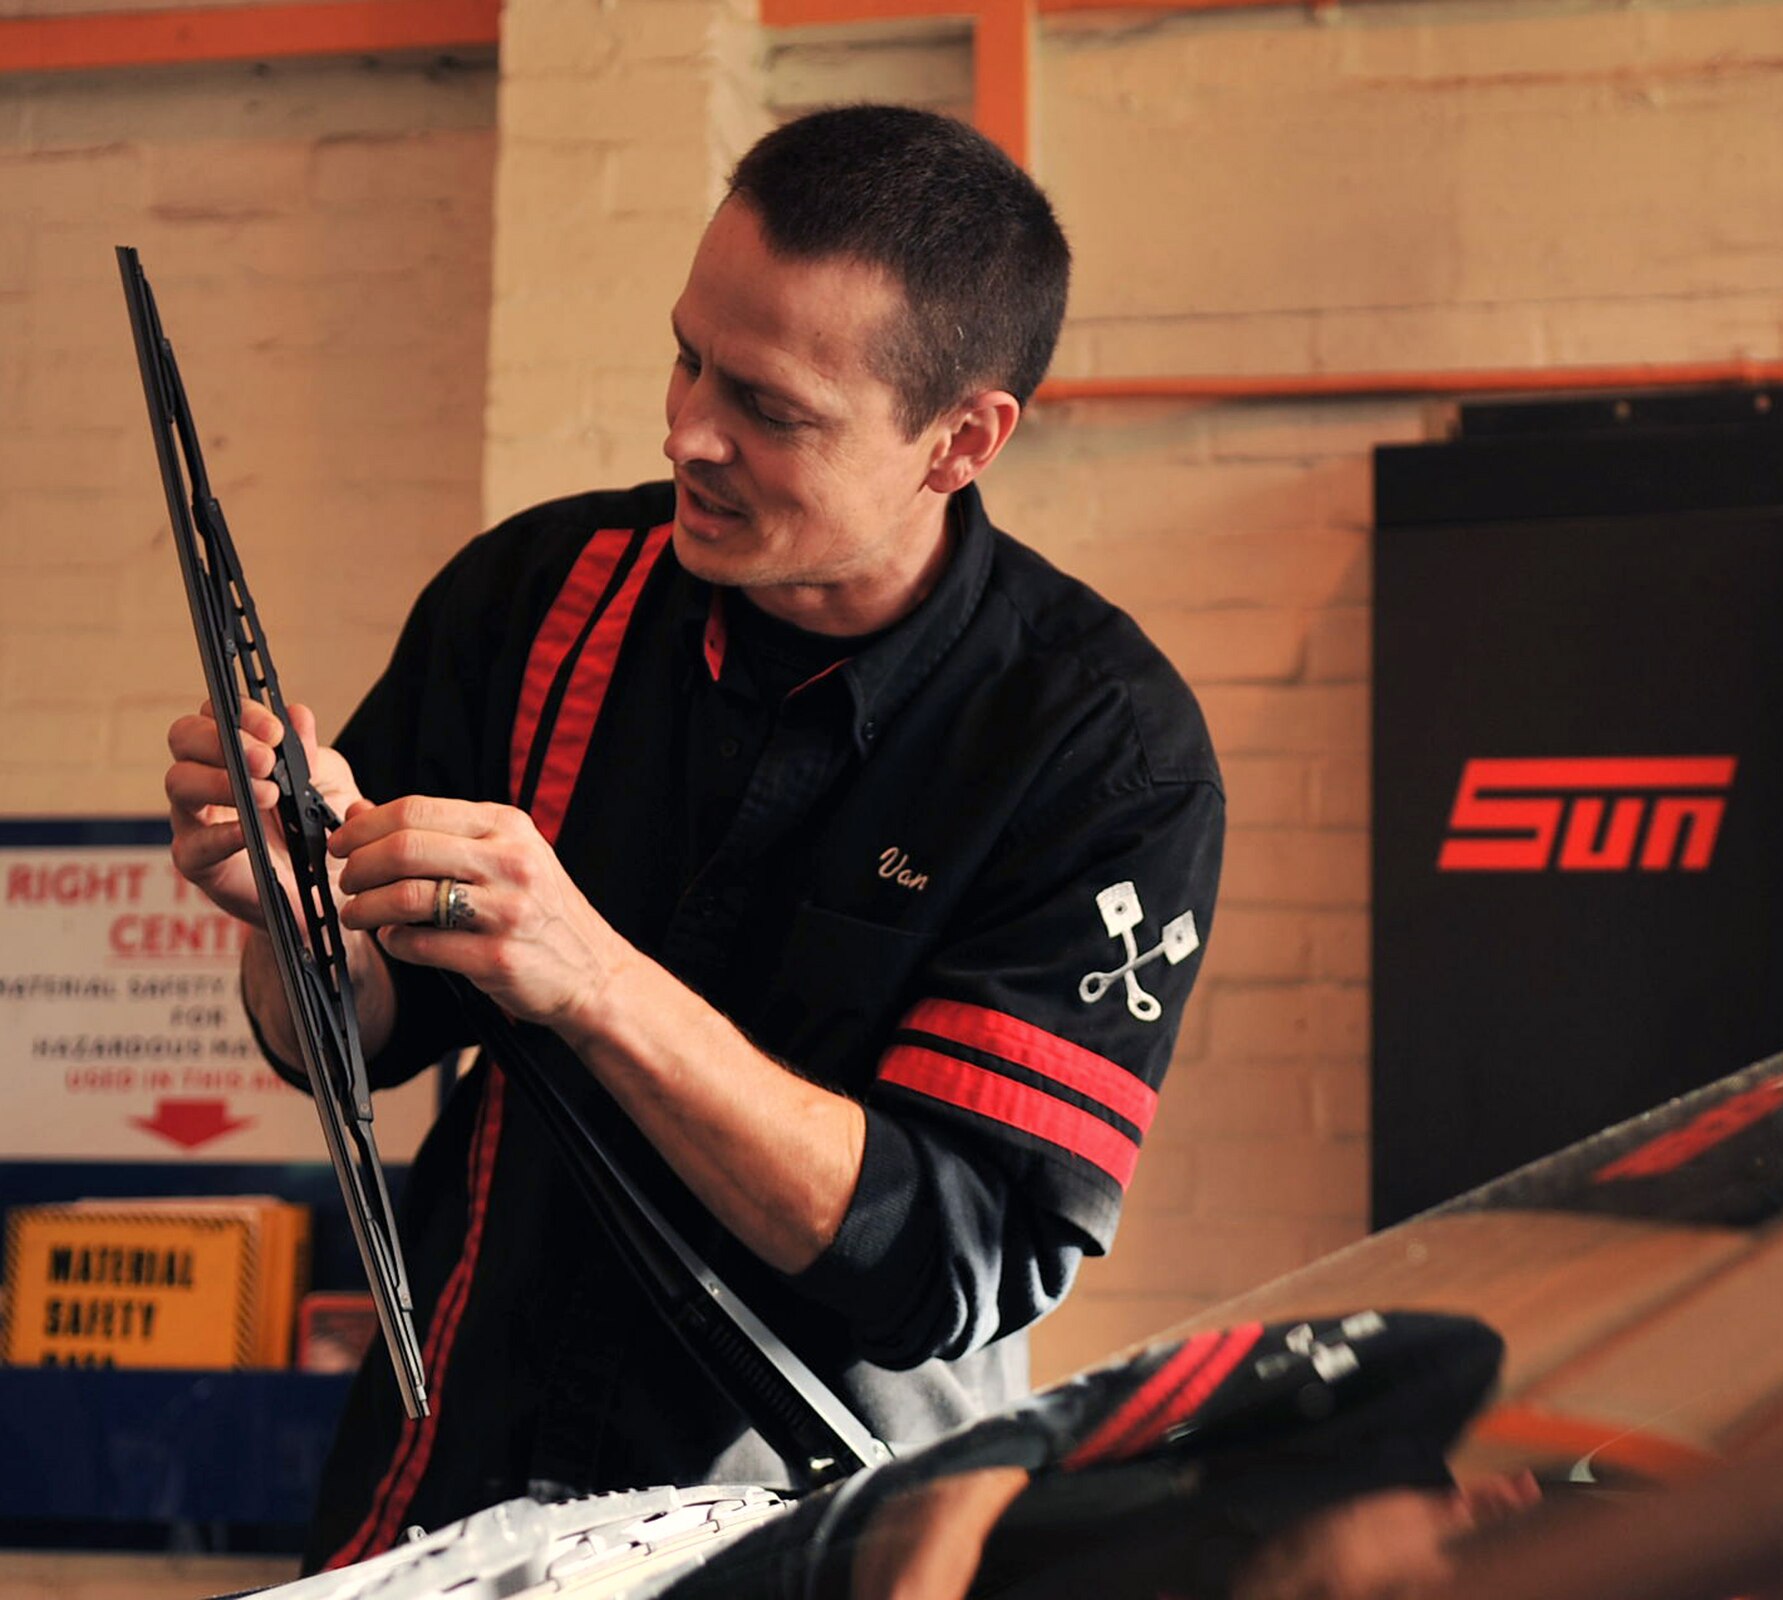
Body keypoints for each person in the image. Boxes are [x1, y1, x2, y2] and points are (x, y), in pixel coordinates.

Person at [164, 103, 1224, 1572]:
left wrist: (591, 975)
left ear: (960, 440)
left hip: (815, 1531)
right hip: (446, 1493)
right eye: (686, 357)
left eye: (772, 411)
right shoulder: (535, 598)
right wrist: (294, 920)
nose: (686, 434)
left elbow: (942, 1258)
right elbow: (343, 1040)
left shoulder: (1094, 752)